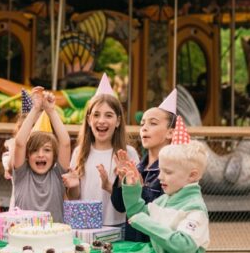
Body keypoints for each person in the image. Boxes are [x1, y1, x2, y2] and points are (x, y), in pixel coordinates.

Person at [67, 93, 138, 230]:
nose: (101, 120)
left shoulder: (128, 153)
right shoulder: (79, 152)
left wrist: (122, 182)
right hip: (85, 225)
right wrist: (74, 186)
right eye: (96, 115)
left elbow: (134, 199)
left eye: (108, 115)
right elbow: (73, 197)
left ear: (118, 121)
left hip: (118, 226)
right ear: (88, 120)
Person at [111, 106, 174, 242]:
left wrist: (138, 188)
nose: (144, 128)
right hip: (133, 245)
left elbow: (161, 212)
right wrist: (121, 180)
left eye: (153, 123)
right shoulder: (137, 167)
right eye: (142, 123)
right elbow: (120, 206)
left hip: (154, 247)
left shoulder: (172, 172)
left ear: (170, 133)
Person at [11, 87, 72, 222]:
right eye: (34, 150)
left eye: (47, 150)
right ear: (27, 155)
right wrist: (35, 109)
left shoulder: (58, 175)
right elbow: (20, 143)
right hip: (25, 236)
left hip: (53, 238)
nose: (40, 155)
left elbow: (65, 142)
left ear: (55, 155)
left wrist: (50, 111)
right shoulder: (22, 174)